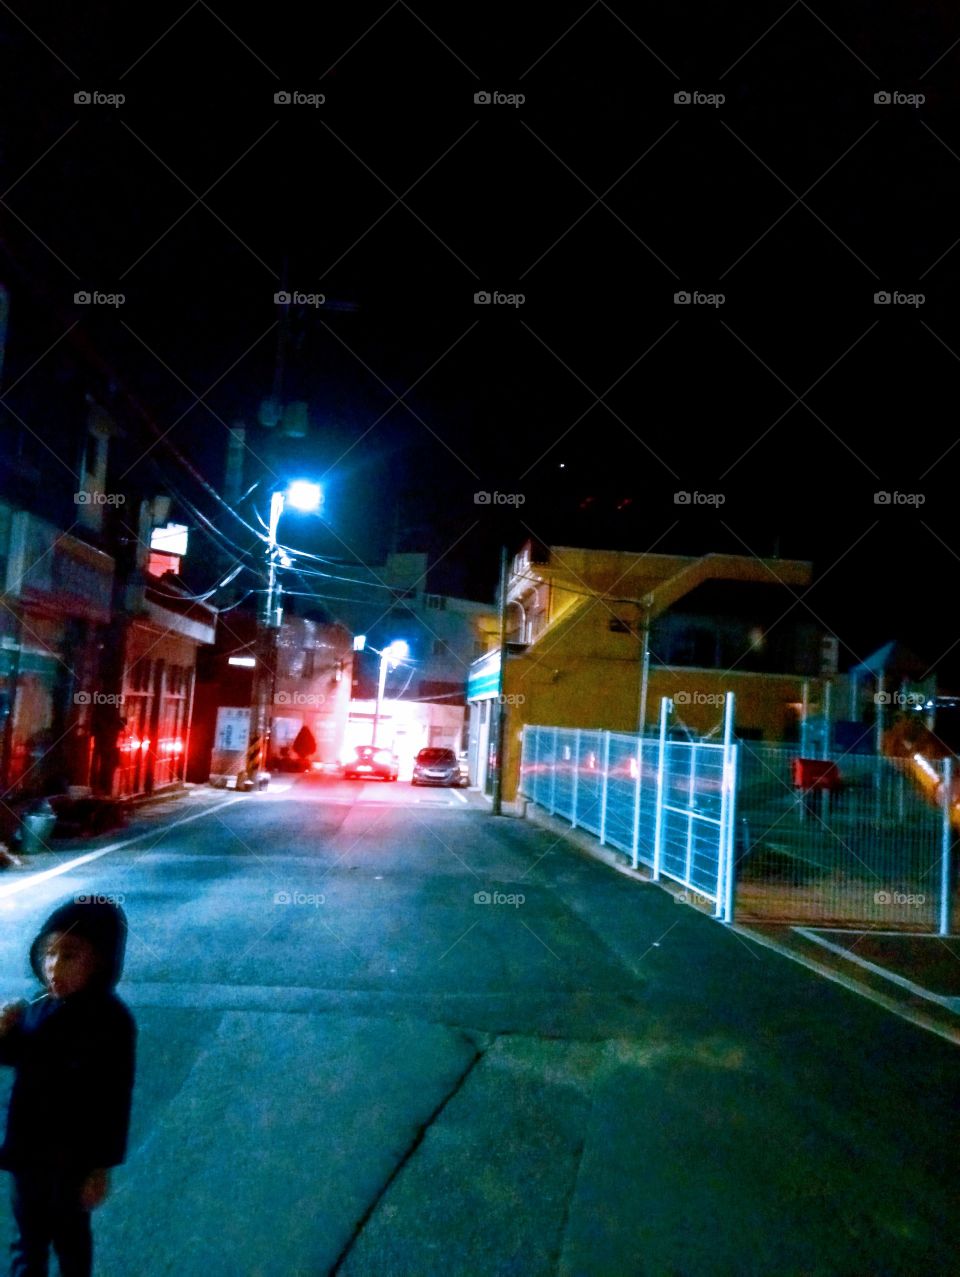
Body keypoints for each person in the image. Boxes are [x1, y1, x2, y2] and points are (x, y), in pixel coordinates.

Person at [0, 898, 137, 1276]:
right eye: (49, 954)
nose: (54, 967)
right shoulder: (39, 1007)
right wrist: (6, 1030)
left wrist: (100, 1167)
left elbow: (115, 1098)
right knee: (27, 1244)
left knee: (71, 1242)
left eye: (70, 956)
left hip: (71, 1163)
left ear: (100, 961)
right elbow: (18, 1056)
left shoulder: (112, 1023)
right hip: (26, 1156)